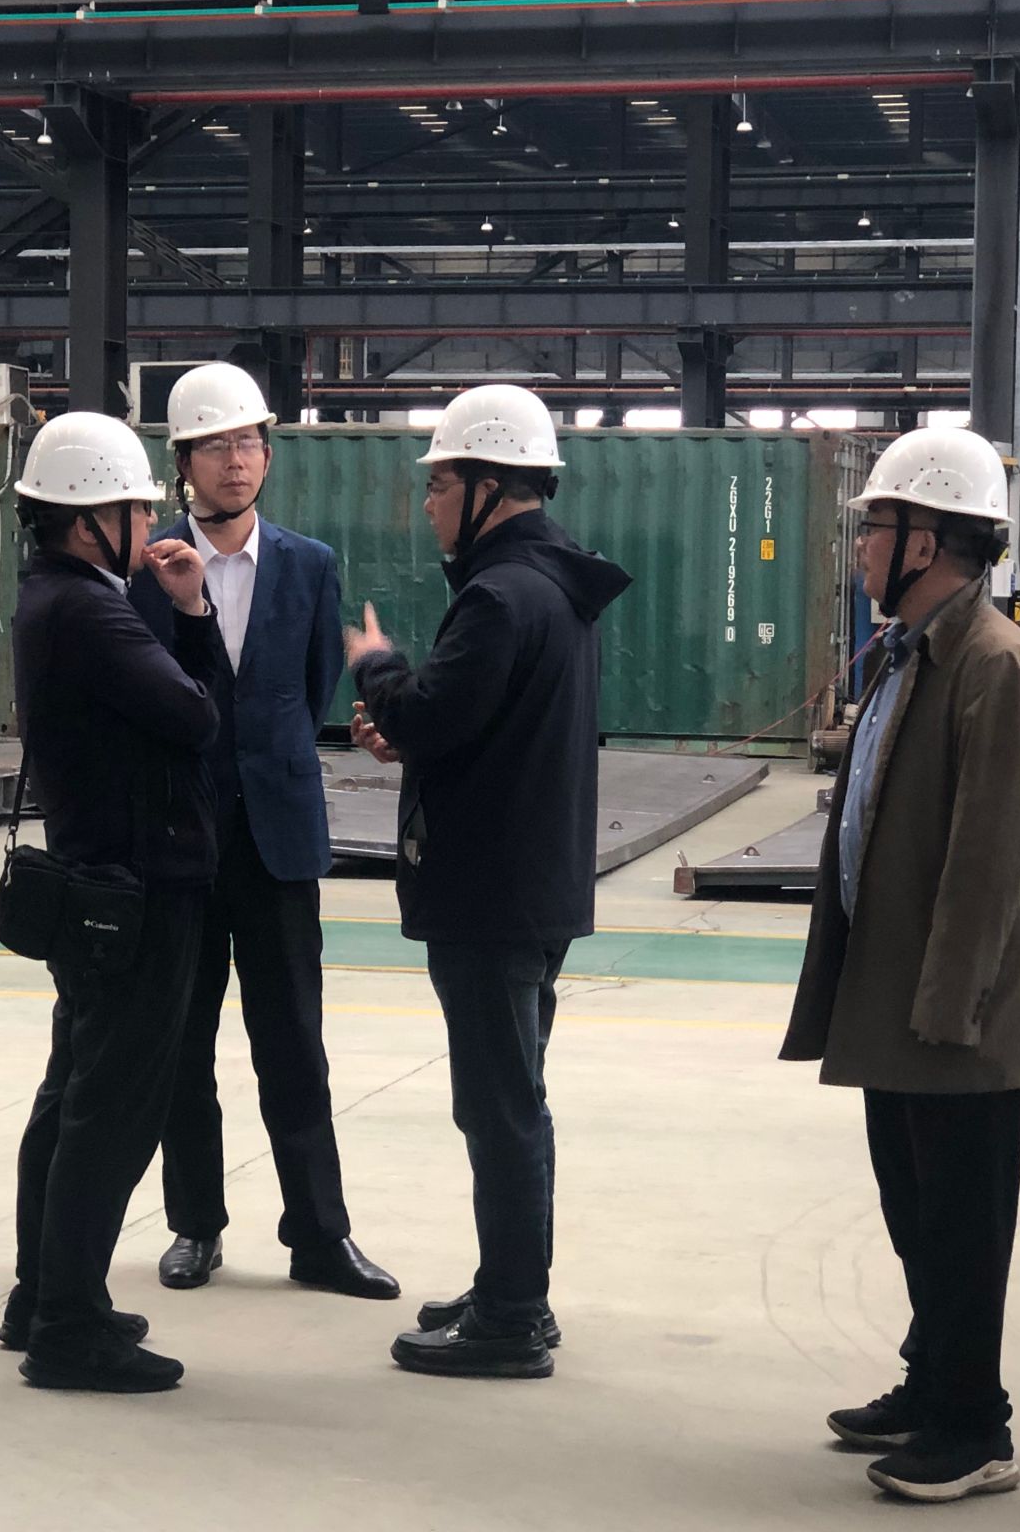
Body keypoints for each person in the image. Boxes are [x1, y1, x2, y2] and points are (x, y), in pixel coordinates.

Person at [780, 426, 1020, 1502]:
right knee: (915, 1211)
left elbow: (989, 863)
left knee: (960, 1223)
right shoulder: (912, 651)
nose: (859, 546)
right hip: (895, 993)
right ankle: (931, 1379)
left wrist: (947, 1011)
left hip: (953, 1013)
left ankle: (974, 1426)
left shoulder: (995, 666)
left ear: (926, 541)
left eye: (874, 527)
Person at [344, 384, 629, 1379]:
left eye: (439, 484)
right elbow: (480, 727)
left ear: (488, 487)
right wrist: (415, 732)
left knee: (500, 1107)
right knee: (511, 1097)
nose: (427, 503)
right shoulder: (554, 585)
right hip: (530, 886)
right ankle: (506, 1281)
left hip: (489, 896)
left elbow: (430, 713)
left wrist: (377, 667)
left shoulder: (499, 595)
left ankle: (512, 1314)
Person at [131, 361, 400, 1302]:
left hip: (278, 838)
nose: (236, 461)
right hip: (182, 840)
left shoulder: (309, 564)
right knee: (183, 1041)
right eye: (215, 447)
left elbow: (313, 685)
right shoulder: (149, 567)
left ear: (268, 454)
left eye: (248, 442)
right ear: (184, 464)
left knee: (294, 1042)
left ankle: (320, 1236)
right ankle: (195, 1225)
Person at [0, 410, 222, 1394]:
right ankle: (69, 1326)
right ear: (92, 520)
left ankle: (39, 1296)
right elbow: (197, 716)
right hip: (137, 893)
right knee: (111, 1110)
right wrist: (194, 616)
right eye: (136, 509)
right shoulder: (92, 612)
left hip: (95, 889)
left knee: (71, 1094)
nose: (149, 525)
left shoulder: (52, 597)